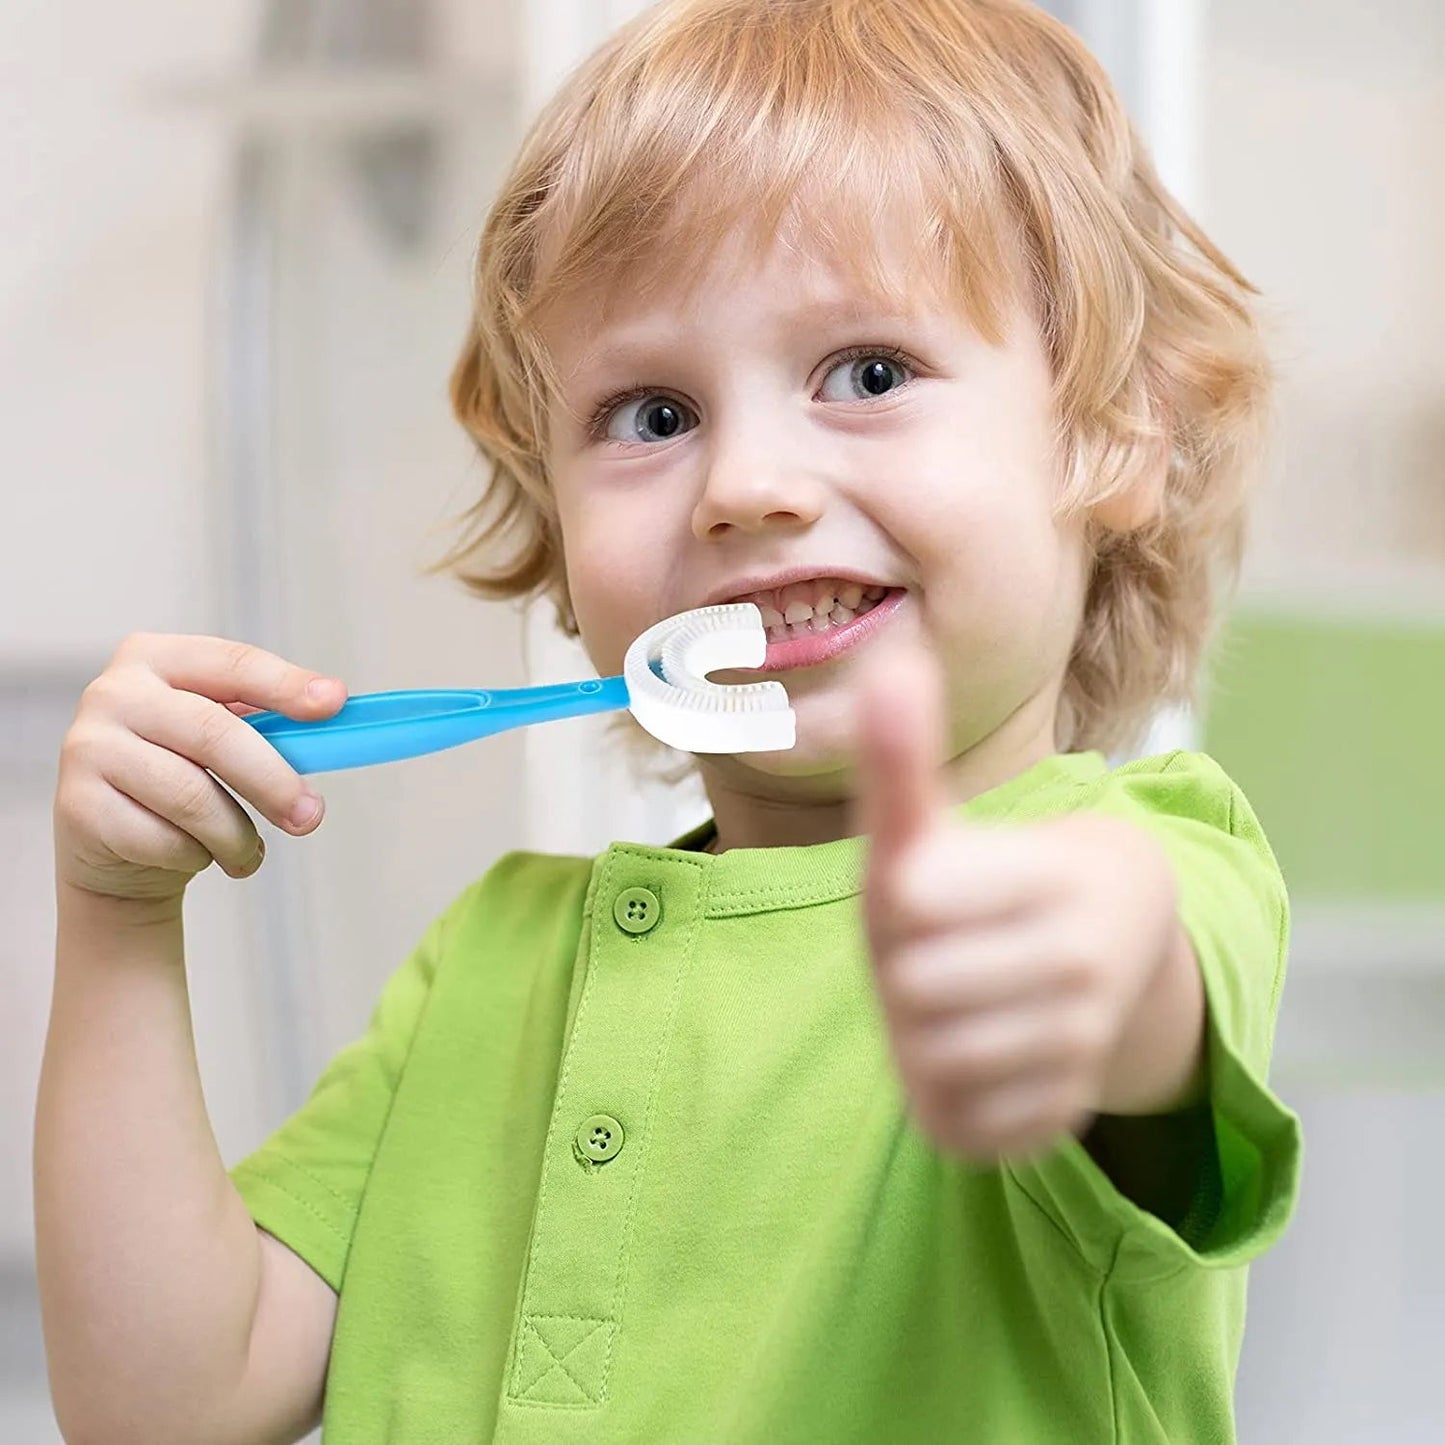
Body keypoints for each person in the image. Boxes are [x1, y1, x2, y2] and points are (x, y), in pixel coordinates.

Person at [35, 1, 1300, 1440]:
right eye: (648, 413)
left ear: (1109, 432)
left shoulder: (1138, 859)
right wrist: (118, 921)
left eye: (869, 374)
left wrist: (1095, 968)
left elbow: (1143, 990)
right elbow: (159, 1411)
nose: (745, 481)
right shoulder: (490, 957)